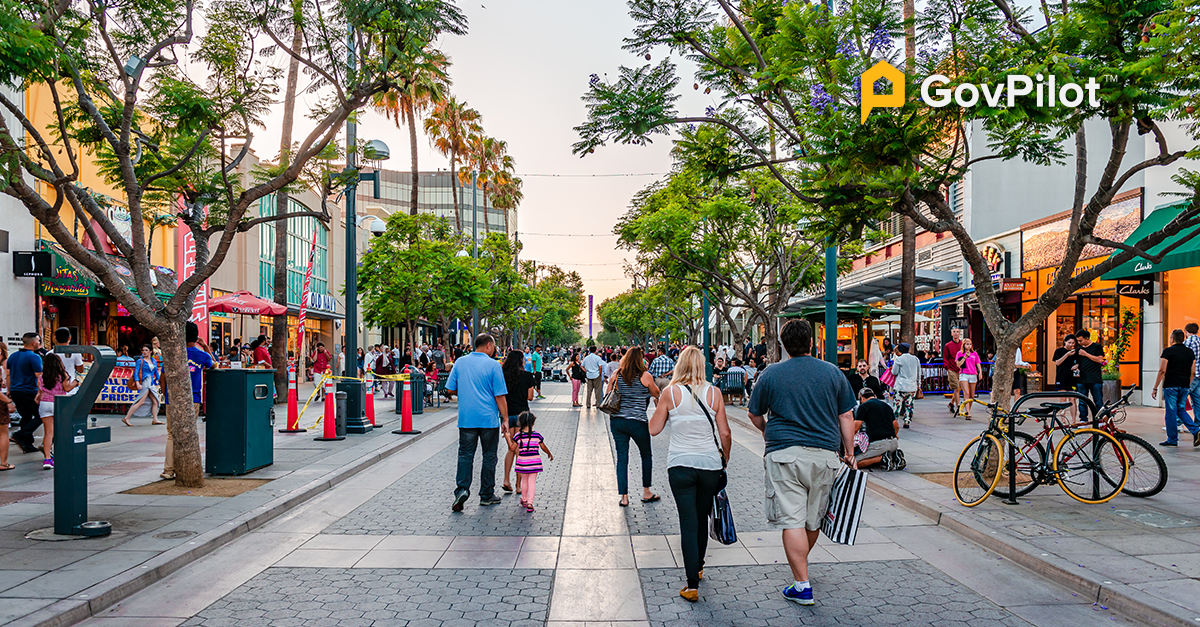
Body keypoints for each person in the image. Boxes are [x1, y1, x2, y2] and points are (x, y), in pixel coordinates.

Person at [747, 319, 856, 606]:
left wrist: (767, 431)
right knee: (813, 518)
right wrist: (849, 452)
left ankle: (802, 583)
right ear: (811, 343)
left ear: (783, 344)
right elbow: (846, 416)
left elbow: (754, 414)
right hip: (824, 456)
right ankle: (801, 571)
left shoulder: (770, 374)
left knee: (791, 520)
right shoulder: (833, 373)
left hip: (783, 454)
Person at [648, 346, 731, 602]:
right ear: (702, 365)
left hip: (680, 465)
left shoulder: (669, 393)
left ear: (680, 365)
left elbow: (653, 430)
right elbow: (726, 433)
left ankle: (691, 585)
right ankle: (699, 566)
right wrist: (724, 460)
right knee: (703, 516)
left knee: (688, 522)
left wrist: (657, 406)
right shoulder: (714, 392)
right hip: (709, 465)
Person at [444, 333, 509, 511]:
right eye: (494, 347)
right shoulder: (494, 365)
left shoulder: (460, 362)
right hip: (488, 419)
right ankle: (486, 494)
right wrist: (505, 419)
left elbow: (449, 389)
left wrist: (465, 393)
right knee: (489, 456)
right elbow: (500, 396)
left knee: (465, 455)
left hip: (466, 418)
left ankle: (462, 490)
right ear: (488, 345)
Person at [607, 347, 662, 506]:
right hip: (638, 421)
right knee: (646, 455)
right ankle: (646, 491)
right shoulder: (645, 376)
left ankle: (624, 497)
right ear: (640, 359)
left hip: (618, 421)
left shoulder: (616, 374)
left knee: (622, 458)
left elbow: (608, 394)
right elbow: (656, 393)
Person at [165, 322, 214, 480]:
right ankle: (185, 468)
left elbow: (162, 376)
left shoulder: (173, 353)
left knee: (172, 434)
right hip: (192, 398)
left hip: (171, 398)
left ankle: (168, 469)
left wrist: (165, 392)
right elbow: (214, 365)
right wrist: (205, 347)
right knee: (188, 433)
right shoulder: (201, 354)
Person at [1153, 329, 1200, 447]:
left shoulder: (1168, 351)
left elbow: (1162, 370)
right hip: (1184, 386)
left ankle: (1172, 439)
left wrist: (1155, 387)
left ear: (1172, 339)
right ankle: (1196, 430)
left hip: (1171, 386)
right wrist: (1187, 385)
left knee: (1171, 413)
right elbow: (1193, 371)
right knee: (1181, 410)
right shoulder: (1189, 352)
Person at [500, 349, 536, 494]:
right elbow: (530, 397)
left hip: (508, 415)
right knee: (521, 451)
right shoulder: (527, 376)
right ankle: (518, 485)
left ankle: (506, 479)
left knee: (511, 448)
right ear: (522, 360)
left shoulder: (503, 376)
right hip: (523, 415)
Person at [36, 353, 79, 469]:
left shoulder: (41, 377)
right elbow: (67, 388)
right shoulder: (63, 375)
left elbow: (40, 390)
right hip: (58, 404)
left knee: (49, 433)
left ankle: (47, 459)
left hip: (44, 404)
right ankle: (62, 455)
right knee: (61, 432)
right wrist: (76, 382)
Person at [9, 333, 44, 454]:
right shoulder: (34, 357)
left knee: (26, 416)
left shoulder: (13, 356)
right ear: (33, 342)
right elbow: (39, 376)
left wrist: (9, 390)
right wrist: (40, 392)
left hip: (15, 390)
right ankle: (21, 434)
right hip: (29, 391)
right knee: (42, 414)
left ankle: (27, 444)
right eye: (39, 341)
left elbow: (8, 374)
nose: (40, 343)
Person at [512, 411, 553, 512]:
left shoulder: (518, 436)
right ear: (533, 423)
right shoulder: (537, 435)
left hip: (523, 462)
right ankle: (530, 502)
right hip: (534, 462)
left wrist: (509, 438)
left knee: (524, 481)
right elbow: (543, 447)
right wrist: (549, 453)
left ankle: (524, 499)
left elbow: (513, 448)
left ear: (520, 423)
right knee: (532, 482)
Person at [853, 388, 903, 470]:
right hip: (894, 443)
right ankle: (894, 456)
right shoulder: (887, 406)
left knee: (853, 462)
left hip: (879, 444)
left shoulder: (863, 407)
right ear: (874, 396)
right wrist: (895, 435)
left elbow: (855, 428)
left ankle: (882, 458)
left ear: (861, 398)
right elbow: (896, 426)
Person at [123, 344, 163, 427]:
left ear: (150, 351)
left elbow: (156, 373)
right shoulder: (140, 361)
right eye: (143, 350)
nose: (144, 352)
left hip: (151, 382)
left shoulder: (153, 361)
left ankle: (155, 419)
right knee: (141, 401)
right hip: (145, 382)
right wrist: (137, 382)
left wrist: (160, 380)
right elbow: (136, 372)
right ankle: (127, 417)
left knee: (155, 401)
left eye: (146, 350)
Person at [1074, 329, 1106, 419]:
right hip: (1081, 379)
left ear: (1087, 338)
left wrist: (1086, 354)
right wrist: (1075, 366)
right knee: (1082, 401)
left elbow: (1100, 360)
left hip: (1095, 379)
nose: (1079, 343)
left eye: (1081, 340)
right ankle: (1083, 420)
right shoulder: (1079, 350)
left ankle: (1101, 419)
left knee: (1098, 401)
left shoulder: (1097, 347)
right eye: (1078, 341)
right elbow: (1077, 362)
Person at [891, 343, 921, 427]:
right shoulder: (915, 359)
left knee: (897, 404)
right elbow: (919, 373)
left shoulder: (899, 359)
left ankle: (894, 420)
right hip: (912, 386)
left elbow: (894, 372)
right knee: (909, 404)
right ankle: (907, 421)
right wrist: (918, 384)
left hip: (901, 385)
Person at [1052, 335, 1080, 422]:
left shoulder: (1076, 352)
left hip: (1072, 378)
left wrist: (1077, 365)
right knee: (1063, 399)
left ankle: (1074, 420)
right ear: (1065, 342)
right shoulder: (1059, 351)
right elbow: (1057, 362)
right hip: (1062, 377)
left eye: (1073, 343)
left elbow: (1080, 362)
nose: (1071, 345)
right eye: (1069, 343)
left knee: (1072, 399)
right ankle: (1063, 420)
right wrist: (1067, 354)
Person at [954, 338, 982, 419]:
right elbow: (958, 364)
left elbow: (978, 363)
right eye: (967, 344)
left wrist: (980, 372)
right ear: (963, 345)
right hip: (964, 374)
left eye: (970, 344)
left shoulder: (974, 353)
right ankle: (968, 413)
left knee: (971, 395)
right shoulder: (960, 353)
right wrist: (965, 357)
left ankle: (968, 408)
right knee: (966, 393)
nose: (968, 346)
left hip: (973, 374)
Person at [942, 328, 963, 412]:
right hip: (952, 368)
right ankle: (958, 407)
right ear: (951, 333)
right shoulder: (948, 345)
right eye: (954, 332)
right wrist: (947, 367)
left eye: (957, 332)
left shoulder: (962, 344)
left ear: (959, 333)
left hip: (961, 369)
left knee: (959, 388)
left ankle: (951, 403)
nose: (956, 333)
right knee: (957, 387)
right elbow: (945, 357)